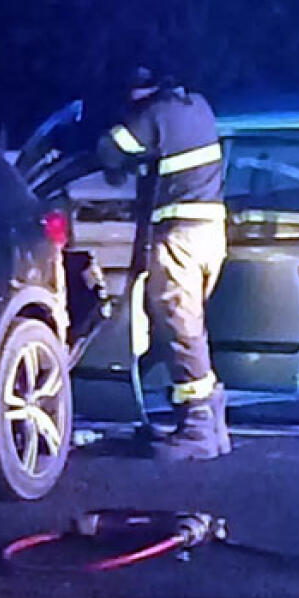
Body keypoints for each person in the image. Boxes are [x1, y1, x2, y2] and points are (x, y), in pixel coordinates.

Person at [97, 66, 230, 460]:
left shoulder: (153, 114)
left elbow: (110, 149)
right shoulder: (198, 106)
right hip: (209, 234)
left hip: (179, 237)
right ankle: (212, 426)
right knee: (189, 328)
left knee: (181, 329)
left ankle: (198, 429)